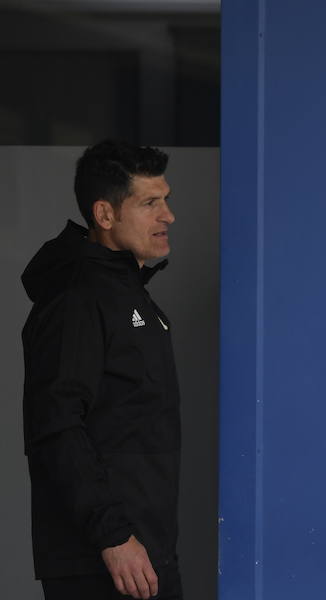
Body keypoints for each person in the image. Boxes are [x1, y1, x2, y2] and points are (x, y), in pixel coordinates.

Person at [21, 140, 182, 600]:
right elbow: (56, 425)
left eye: (166, 199)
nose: (167, 215)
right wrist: (112, 536)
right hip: (104, 560)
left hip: (145, 554)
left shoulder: (130, 295)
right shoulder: (78, 300)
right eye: (150, 203)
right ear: (105, 215)